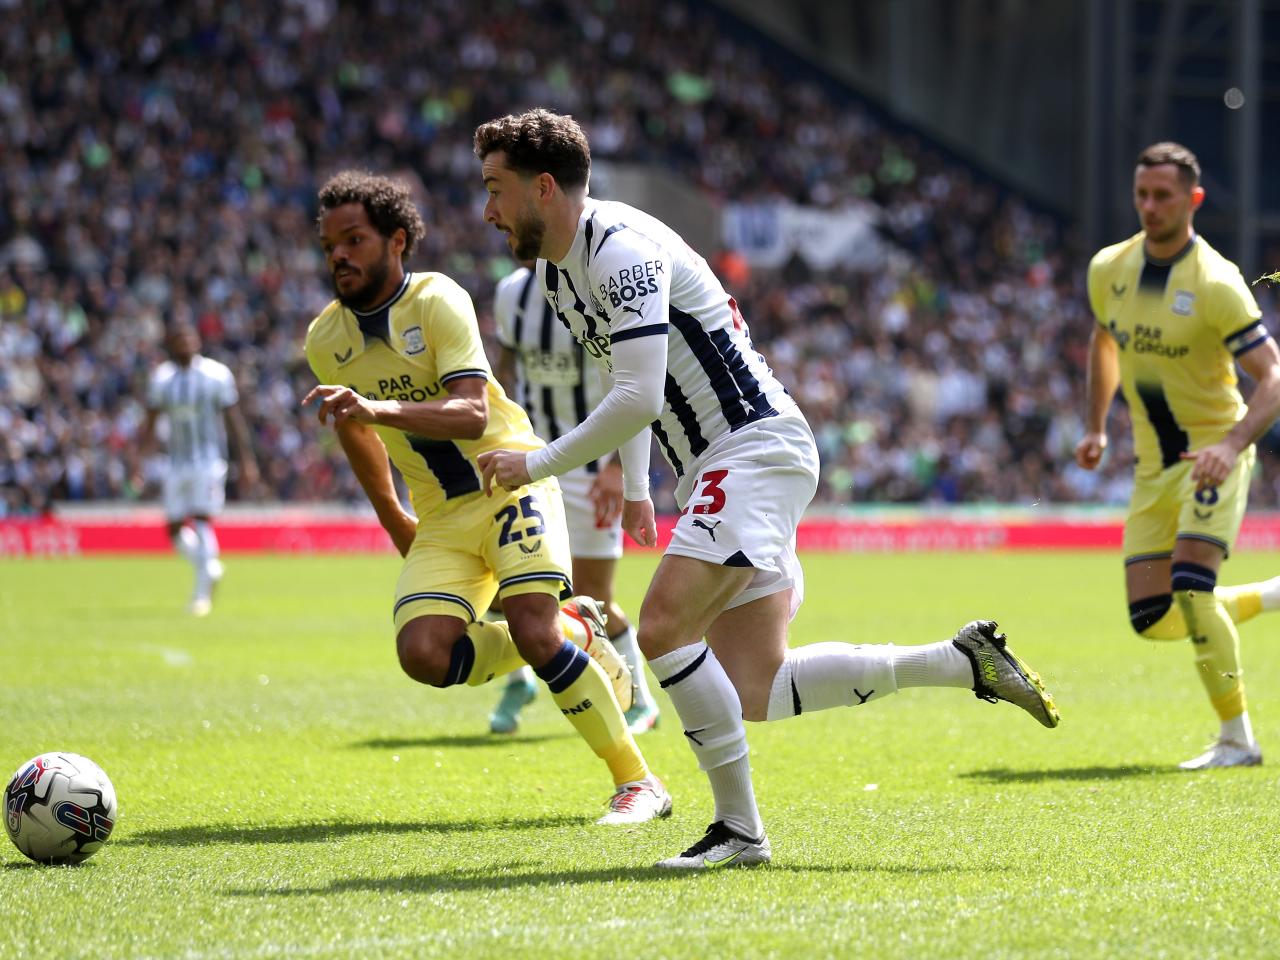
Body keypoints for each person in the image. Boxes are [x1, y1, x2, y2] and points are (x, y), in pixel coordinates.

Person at [473, 109, 1059, 869]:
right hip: (727, 459)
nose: (486, 210)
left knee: (659, 629)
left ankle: (740, 832)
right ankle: (960, 660)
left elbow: (640, 396)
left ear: (542, 187)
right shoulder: (560, 271)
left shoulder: (620, 252)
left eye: (495, 188)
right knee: (756, 684)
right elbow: (633, 382)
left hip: (752, 446)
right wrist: (642, 484)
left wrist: (537, 463)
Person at [301, 170, 671, 824]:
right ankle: (578, 628)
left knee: (532, 629)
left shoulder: (437, 299)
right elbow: (354, 430)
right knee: (422, 654)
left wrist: (376, 407)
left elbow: (471, 414)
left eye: (353, 239)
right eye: (329, 243)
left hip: (508, 482)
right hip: (442, 516)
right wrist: (395, 516)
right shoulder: (324, 341)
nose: (338, 254)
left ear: (396, 242)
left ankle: (637, 781)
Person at [1075, 142, 1280, 770]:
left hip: (1211, 457)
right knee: (1152, 617)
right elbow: (1103, 344)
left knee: (1193, 590)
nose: (1150, 206)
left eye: (1163, 196)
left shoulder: (1217, 284)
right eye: (1142, 194)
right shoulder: (1109, 267)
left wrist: (1232, 443)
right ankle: (1272, 596)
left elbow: (1273, 379)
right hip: (1150, 468)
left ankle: (1236, 739)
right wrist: (1096, 426)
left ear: (1194, 199)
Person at [487, 259, 661, 736]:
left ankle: (639, 700)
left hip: (591, 468)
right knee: (498, 584)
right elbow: (503, 372)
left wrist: (617, 466)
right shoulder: (511, 294)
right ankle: (518, 679)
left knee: (592, 599)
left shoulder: (597, 292)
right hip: (529, 466)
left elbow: (635, 380)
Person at [134, 323, 259, 616]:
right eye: (179, 339)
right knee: (174, 529)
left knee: (202, 519)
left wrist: (247, 460)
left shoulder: (216, 375)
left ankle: (201, 594)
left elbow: (234, 419)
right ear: (171, 343)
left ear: (198, 342)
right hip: (175, 462)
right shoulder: (162, 378)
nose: (185, 344)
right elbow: (150, 422)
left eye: (189, 338)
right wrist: (139, 460)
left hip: (209, 460)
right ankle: (209, 566)